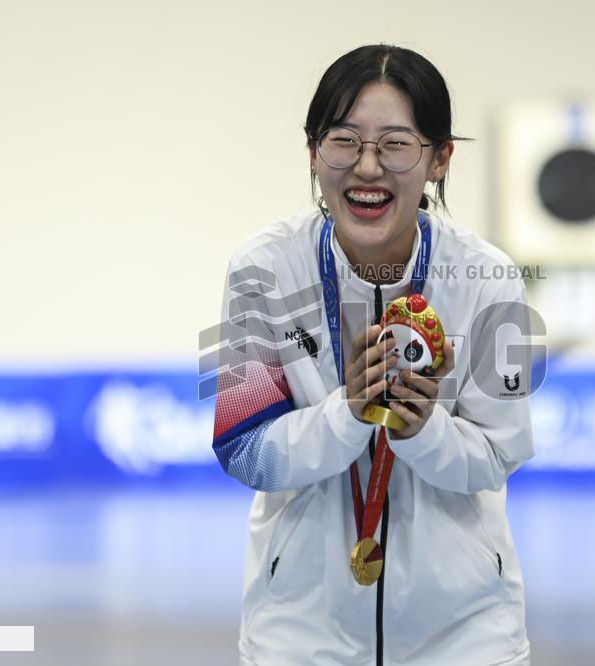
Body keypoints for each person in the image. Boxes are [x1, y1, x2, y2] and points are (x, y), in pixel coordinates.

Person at [212, 44, 534, 666]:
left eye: (395, 144)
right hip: (301, 638)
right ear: (313, 151)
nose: (366, 168)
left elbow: (499, 453)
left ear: (439, 158)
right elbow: (244, 449)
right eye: (344, 140)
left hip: (466, 640)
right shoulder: (260, 270)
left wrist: (421, 430)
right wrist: (348, 412)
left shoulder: (490, 279)